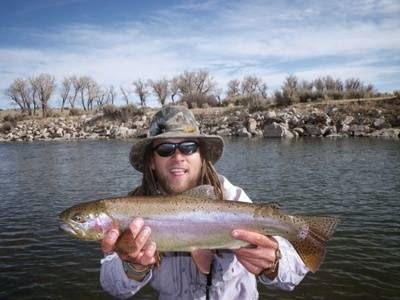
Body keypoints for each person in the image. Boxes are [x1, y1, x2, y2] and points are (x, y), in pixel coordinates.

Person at [100, 105, 309, 299]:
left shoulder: (230, 198)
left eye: (189, 147)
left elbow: (297, 271)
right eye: (165, 149)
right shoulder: (131, 209)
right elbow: (113, 286)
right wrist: (133, 267)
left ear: (201, 156)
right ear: (152, 162)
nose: (178, 157)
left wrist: (274, 264)